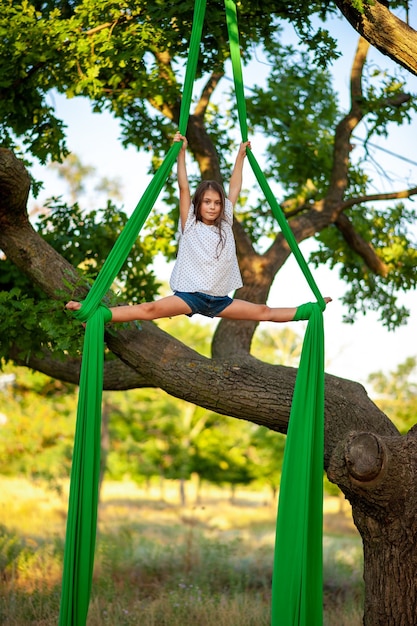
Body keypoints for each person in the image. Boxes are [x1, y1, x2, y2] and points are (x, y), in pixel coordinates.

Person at [66, 132, 331, 322]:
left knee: (263, 312)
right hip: (190, 297)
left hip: (219, 300)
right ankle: (92, 311)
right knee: (148, 310)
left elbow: (235, 187)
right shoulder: (190, 224)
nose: (213, 207)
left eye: (217, 202)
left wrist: (241, 156)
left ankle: (309, 311)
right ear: (198, 205)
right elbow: (183, 187)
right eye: (207, 202)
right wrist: (180, 154)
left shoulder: (226, 223)